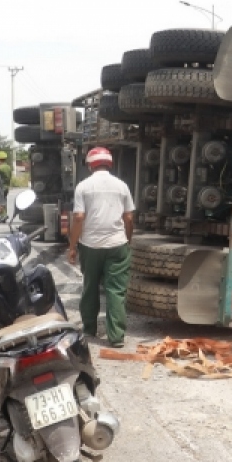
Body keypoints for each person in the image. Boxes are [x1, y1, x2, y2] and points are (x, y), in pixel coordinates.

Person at [68, 147, 135, 349]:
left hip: (90, 245)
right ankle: (116, 337)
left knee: (90, 287)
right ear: (110, 163)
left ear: (90, 165)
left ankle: (89, 330)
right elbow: (129, 217)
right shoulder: (122, 186)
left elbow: (79, 217)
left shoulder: (83, 187)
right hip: (117, 244)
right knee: (116, 291)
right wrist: (127, 239)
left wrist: (72, 246)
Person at [0, 151, 13, 221]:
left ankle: (3, 215)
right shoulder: (8, 167)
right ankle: (4, 216)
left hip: (0, 187)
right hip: (7, 187)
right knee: (4, 201)